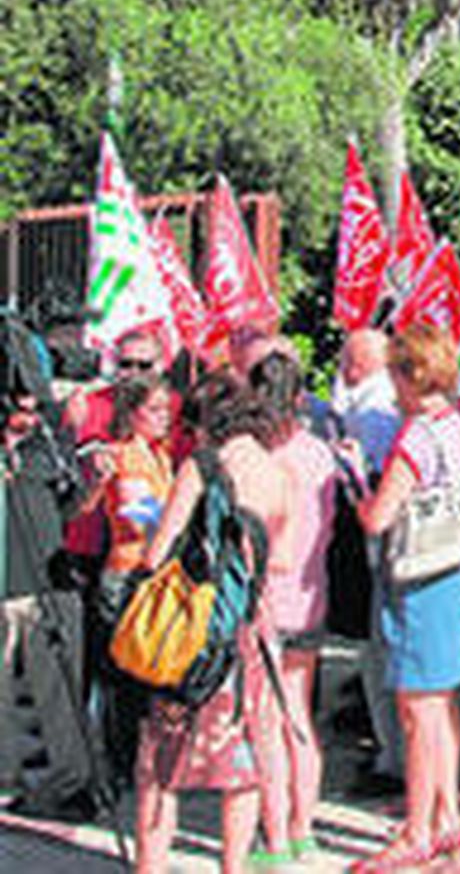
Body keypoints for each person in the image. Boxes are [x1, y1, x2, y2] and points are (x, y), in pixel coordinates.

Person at [131, 378, 297, 874]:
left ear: (207, 422)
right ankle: (233, 866)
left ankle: (150, 866)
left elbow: (157, 553)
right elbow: (282, 560)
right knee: (241, 761)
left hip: (194, 629)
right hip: (251, 629)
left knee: (159, 760)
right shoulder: (278, 472)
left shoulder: (202, 467)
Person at [343, 324, 460, 870]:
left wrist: (357, 482)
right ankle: (448, 817)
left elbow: (378, 517)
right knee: (440, 704)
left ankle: (417, 830)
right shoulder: (456, 426)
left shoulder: (416, 437)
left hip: (419, 578)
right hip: (452, 572)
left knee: (417, 710)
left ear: (408, 374)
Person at [248, 352, 339, 864]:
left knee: (267, 723)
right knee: (299, 715)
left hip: (268, 599)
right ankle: (304, 827)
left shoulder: (263, 459)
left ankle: (276, 836)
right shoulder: (319, 454)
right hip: (310, 593)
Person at [78, 373, 176, 787]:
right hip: (126, 572)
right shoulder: (124, 455)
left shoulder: (160, 455)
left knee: (144, 672)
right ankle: (120, 763)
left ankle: (136, 759)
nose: (164, 417)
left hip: (151, 574)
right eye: (154, 409)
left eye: (167, 409)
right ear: (132, 413)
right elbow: (137, 519)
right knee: (122, 676)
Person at [0, 388, 94, 819]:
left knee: (59, 693)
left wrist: (97, 484)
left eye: (36, 407)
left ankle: (71, 783)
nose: (31, 415)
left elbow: (73, 507)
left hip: (48, 586)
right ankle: (7, 779)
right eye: (21, 406)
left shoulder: (50, 446)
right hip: (6, 586)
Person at [323, 327, 405, 790]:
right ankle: (390, 752)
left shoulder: (377, 414)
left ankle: (393, 759)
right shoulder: (375, 407)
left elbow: (374, 505)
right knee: (378, 652)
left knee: (382, 653)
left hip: (384, 545)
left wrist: (354, 476)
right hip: (384, 547)